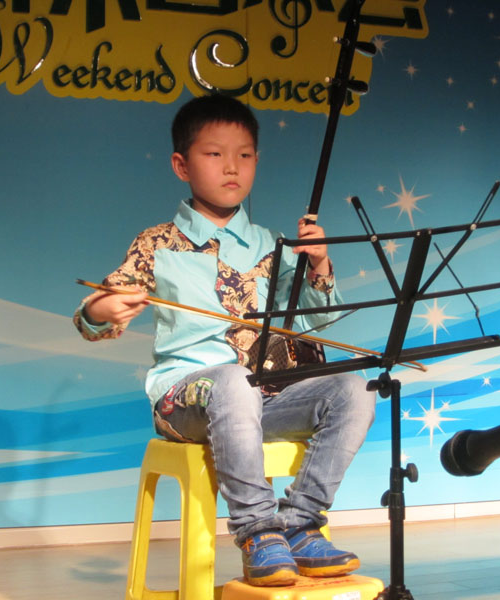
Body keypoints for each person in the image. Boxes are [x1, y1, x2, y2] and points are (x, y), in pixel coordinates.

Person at [73, 94, 376, 587]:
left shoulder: (272, 244)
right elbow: (94, 317)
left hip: (264, 400)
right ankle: (258, 531)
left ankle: (300, 523)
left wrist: (318, 262)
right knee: (233, 380)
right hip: (185, 402)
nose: (232, 167)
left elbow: (314, 319)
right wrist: (101, 309)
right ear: (181, 165)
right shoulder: (157, 244)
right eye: (214, 154)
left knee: (354, 389)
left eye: (245, 155)